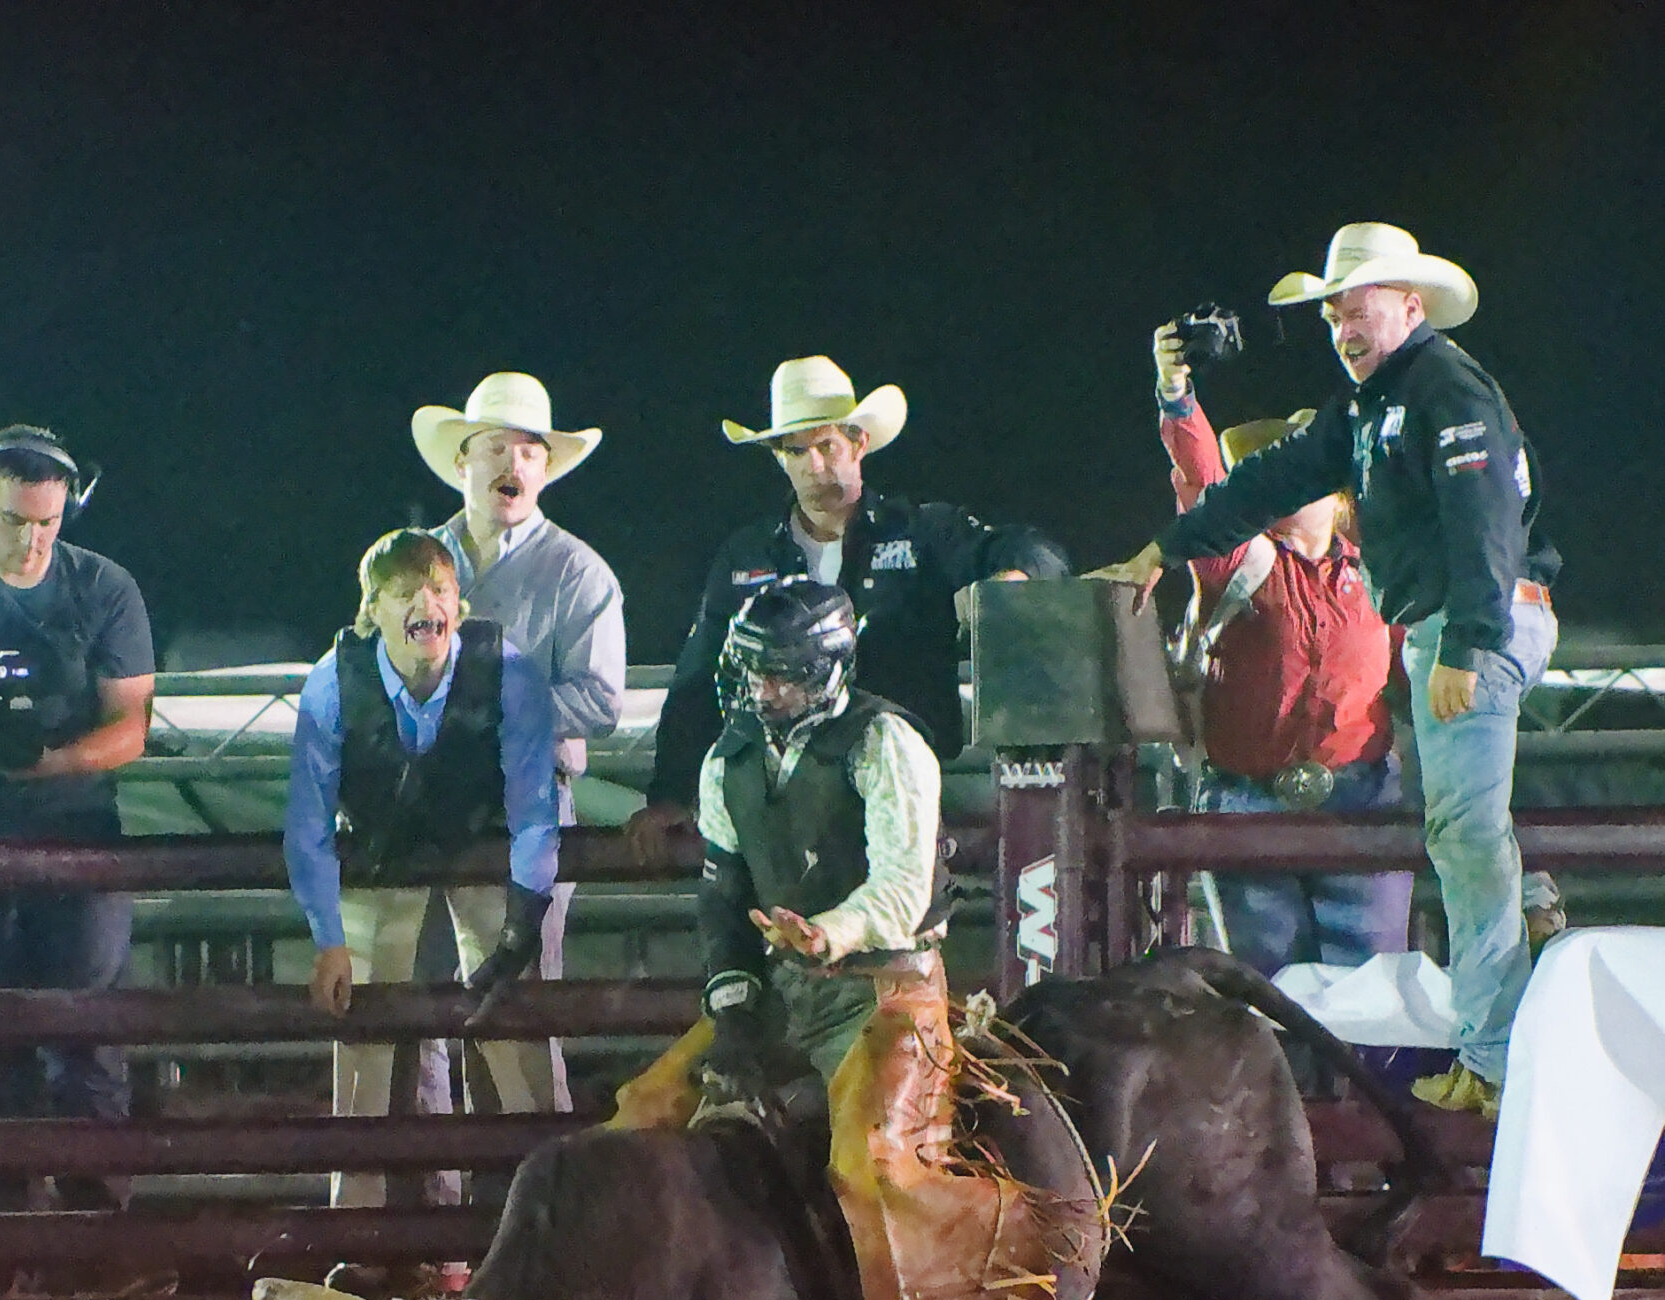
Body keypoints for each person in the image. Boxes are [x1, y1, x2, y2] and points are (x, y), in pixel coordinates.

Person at [1097, 225, 1560, 1118]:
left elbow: (1485, 517)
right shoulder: (1376, 408)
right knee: (1458, 830)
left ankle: (1495, 1059)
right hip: (1445, 635)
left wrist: (1467, 641)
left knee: (1465, 833)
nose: (1344, 328)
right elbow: (1259, 481)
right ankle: (1505, 997)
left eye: (1359, 310)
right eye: (1335, 314)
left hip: (1470, 622)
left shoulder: (1442, 391)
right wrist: (1166, 544)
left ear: (1411, 308)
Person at [615, 581, 1068, 1300]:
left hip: (886, 985)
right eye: (753, 673)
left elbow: (901, 886)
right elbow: (722, 898)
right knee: (641, 1108)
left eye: (781, 675)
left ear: (827, 672)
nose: (763, 691)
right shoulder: (727, 759)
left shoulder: (886, 742)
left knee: (872, 1167)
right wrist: (733, 1002)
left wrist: (831, 932)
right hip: (781, 983)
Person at [627, 357, 1068, 857]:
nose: (813, 465)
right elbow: (698, 679)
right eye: (796, 450)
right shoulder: (745, 555)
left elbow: (1034, 551)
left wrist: (1011, 579)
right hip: (782, 800)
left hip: (900, 787)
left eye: (825, 446)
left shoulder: (920, 532)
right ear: (779, 459)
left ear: (858, 443)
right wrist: (669, 794)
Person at [281, 529, 559, 1210]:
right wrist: (328, 939)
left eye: (438, 589)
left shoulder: (510, 672)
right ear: (371, 611)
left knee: (517, 1023)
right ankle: (358, 1226)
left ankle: (548, 1209)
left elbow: (534, 808)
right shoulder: (332, 683)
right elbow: (308, 821)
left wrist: (522, 922)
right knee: (363, 1032)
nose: (424, 604)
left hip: (487, 846)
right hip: (380, 855)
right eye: (403, 592)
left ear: (458, 605)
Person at [1152, 318, 1413, 976]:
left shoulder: (1380, 569)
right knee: (1269, 984)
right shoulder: (1237, 558)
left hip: (1357, 796)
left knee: (1368, 981)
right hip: (1252, 798)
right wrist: (1177, 397)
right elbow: (1201, 483)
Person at [411, 371, 627, 1115]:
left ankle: (526, 1171)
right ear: (463, 461)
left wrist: (484, 715)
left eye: (531, 451)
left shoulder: (578, 571)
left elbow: (600, 701)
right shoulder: (417, 560)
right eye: (497, 448)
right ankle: (432, 1178)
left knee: (514, 1004)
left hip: (523, 805)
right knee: (417, 1001)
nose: (515, 463)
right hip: (420, 805)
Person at [0, 424, 154, 1209]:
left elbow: (131, 728)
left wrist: (41, 760)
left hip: (75, 835)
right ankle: (10, 1233)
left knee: (87, 1036)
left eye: (48, 521)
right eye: (16, 520)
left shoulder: (104, 585)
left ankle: (93, 1231)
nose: (33, 540)